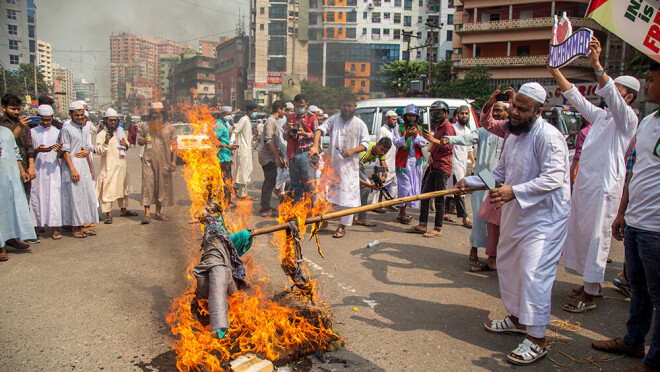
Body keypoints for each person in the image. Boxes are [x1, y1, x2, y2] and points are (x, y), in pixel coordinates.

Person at [456, 82, 570, 365]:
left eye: (521, 109)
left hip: (545, 219)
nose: (514, 113)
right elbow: (498, 173)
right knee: (508, 264)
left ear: (538, 111)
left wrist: (513, 191)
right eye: (514, 106)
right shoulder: (514, 136)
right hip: (516, 212)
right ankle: (518, 319)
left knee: (534, 273)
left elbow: (554, 179)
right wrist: (469, 181)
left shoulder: (550, 137)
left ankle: (537, 339)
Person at [548, 37, 639, 313]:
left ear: (629, 97)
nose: (609, 95)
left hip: (604, 187)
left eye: (617, 92)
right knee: (583, 234)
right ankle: (592, 285)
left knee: (598, 237)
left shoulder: (628, 119)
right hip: (586, 186)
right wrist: (554, 70)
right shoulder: (602, 117)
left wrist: (597, 65)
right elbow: (574, 96)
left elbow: (609, 92)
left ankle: (589, 294)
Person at [592, 61, 660, 372]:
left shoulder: (633, 117)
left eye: (652, 80)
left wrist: (596, 66)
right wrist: (622, 212)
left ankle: (655, 361)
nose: (648, 86)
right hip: (636, 222)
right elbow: (636, 170)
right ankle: (633, 341)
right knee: (639, 290)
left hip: (657, 229)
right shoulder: (648, 122)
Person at [443, 100, 505, 271]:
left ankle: (493, 257)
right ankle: (473, 253)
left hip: (503, 182)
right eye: (495, 110)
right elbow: (466, 139)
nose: (497, 114)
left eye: (500, 111)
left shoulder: (511, 133)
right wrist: (449, 139)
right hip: (483, 177)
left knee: (498, 221)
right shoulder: (484, 131)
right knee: (480, 217)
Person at [309, 93, 369, 239]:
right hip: (332, 166)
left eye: (349, 106)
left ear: (354, 107)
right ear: (341, 106)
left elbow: (366, 144)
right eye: (344, 105)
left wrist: (352, 151)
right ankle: (323, 221)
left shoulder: (360, 124)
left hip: (349, 169)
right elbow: (319, 130)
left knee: (348, 199)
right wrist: (315, 146)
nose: (347, 108)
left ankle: (342, 227)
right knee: (324, 195)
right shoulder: (334, 119)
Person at [192, 207, 253, 340]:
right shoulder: (216, 233)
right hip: (216, 268)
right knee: (216, 294)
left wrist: (246, 234)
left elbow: (232, 239)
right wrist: (218, 328)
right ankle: (218, 329)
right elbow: (217, 294)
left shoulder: (217, 235)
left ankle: (242, 318)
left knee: (236, 295)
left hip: (221, 270)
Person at [408, 100, 453, 237]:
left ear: (445, 113)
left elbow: (449, 146)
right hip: (434, 165)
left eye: (438, 113)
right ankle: (422, 224)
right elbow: (436, 145)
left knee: (439, 198)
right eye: (433, 113)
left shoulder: (448, 127)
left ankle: (437, 228)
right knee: (425, 195)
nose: (436, 115)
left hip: (443, 166)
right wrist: (432, 154)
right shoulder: (439, 127)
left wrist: (432, 139)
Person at [59, 101, 99, 238]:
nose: (80, 117)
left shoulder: (82, 128)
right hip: (73, 165)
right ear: (70, 114)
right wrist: (72, 169)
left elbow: (85, 147)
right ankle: (74, 228)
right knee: (75, 197)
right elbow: (65, 151)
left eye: (82, 115)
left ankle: (82, 225)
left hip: (83, 165)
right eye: (77, 115)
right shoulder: (66, 129)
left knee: (84, 196)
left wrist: (87, 151)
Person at [0, 121, 36, 261]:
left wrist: (22, 171)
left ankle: (10, 238)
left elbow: (15, 153)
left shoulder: (6, 132)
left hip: (10, 177)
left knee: (10, 208)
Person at [137, 102, 178, 224]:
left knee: (161, 186)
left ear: (163, 114)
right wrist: (142, 140)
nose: (155, 115)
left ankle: (158, 212)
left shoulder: (169, 127)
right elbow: (139, 140)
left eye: (158, 113)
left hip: (164, 161)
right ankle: (147, 214)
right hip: (148, 160)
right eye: (153, 113)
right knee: (147, 185)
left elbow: (175, 145)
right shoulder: (144, 125)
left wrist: (174, 161)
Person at [95, 108, 137, 224]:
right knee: (108, 190)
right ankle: (108, 213)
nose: (113, 123)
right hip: (109, 167)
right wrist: (106, 142)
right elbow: (99, 150)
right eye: (110, 121)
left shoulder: (120, 133)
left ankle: (123, 210)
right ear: (105, 121)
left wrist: (126, 144)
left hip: (121, 165)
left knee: (123, 189)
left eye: (115, 120)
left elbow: (127, 145)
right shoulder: (101, 135)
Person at [30, 105, 63, 240]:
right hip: (37, 168)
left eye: (48, 120)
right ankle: (36, 227)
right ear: (39, 118)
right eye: (43, 120)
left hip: (52, 169)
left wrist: (58, 150)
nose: (45, 123)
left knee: (53, 196)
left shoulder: (57, 132)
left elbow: (61, 155)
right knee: (36, 196)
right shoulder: (32, 132)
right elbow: (29, 151)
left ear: (52, 118)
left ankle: (55, 228)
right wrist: (38, 150)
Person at [393, 104, 428, 225]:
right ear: (405, 116)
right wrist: (406, 136)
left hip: (416, 162)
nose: (411, 118)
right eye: (409, 116)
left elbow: (424, 143)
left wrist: (416, 136)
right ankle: (401, 211)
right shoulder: (398, 127)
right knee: (404, 186)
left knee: (415, 186)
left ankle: (406, 211)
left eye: (414, 116)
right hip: (403, 162)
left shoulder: (420, 129)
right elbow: (396, 143)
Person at [284, 94, 318, 203]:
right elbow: (284, 136)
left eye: (301, 105)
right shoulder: (290, 117)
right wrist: (289, 132)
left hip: (306, 154)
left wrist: (305, 134)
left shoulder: (312, 117)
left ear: (306, 104)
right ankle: (297, 210)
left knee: (310, 185)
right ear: (294, 104)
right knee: (295, 185)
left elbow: (317, 134)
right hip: (293, 154)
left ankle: (312, 211)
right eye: (297, 105)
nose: (299, 108)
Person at [1, 94, 36, 199]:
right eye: (12, 109)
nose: (16, 112)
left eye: (18, 109)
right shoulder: (1, 125)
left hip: (24, 168)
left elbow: (29, 146)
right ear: (4, 108)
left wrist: (31, 167)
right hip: (6, 168)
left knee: (24, 201)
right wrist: (19, 127)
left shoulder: (24, 124)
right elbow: (6, 142)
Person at [446, 105, 474, 228]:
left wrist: (473, 162)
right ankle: (464, 217)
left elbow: (469, 149)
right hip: (454, 163)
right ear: (457, 116)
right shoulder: (453, 129)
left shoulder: (468, 131)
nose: (464, 116)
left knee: (450, 188)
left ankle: (444, 212)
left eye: (466, 114)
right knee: (460, 190)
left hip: (463, 163)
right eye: (462, 113)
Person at [257, 100, 287, 216]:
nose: (284, 112)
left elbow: (276, 144)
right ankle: (264, 208)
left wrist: (282, 157)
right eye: (283, 109)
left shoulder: (274, 121)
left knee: (271, 180)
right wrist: (277, 157)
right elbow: (268, 140)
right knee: (269, 181)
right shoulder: (271, 121)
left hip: (271, 156)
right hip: (267, 156)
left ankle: (266, 206)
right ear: (279, 109)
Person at [355, 137, 392, 226]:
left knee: (359, 188)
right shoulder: (365, 152)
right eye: (381, 149)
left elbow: (384, 168)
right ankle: (361, 218)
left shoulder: (382, 152)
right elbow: (354, 175)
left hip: (358, 165)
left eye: (385, 151)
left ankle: (353, 215)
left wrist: (384, 177)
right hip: (351, 164)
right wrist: (369, 185)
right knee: (365, 188)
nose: (382, 153)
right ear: (376, 145)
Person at [215, 106, 239, 206]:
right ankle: (226, 201)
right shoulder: (219, 125)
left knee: (227, 179)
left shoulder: (224, 124)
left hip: (226, 156)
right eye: (227, 114)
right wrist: (227, 147)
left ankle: (226, 200)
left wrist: (230, 151)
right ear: (222, 114)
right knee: (226, 180)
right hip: (222, 157)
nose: (229, 116)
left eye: (230, 114)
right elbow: (214, 139)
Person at [375, 110, 399, 209]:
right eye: (393, 119)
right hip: (384, 161)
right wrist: (383, 163)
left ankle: (390, 203)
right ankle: (376, 205)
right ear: (387, 119)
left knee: (394, 182)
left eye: (396, 120)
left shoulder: (393, 131)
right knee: (381, 183)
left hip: (392, 161)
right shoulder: (382, 130)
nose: (395, 122)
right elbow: (379, 147)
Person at [233, 102, 256, 200]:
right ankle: (243, 194)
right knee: (243, 172)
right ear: (249, 111)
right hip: (242, 150)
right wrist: (231, 144)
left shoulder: (248, 120)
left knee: (245, 171)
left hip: (247, 149)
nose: (255, 113)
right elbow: (235, 131)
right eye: (254, 111)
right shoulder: (244, 119)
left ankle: (236, 189)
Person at [570, 116, 592, 185]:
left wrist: (573, 170)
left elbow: (578, 154)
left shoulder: (583, 132)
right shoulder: (598, 129)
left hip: (581, 169)